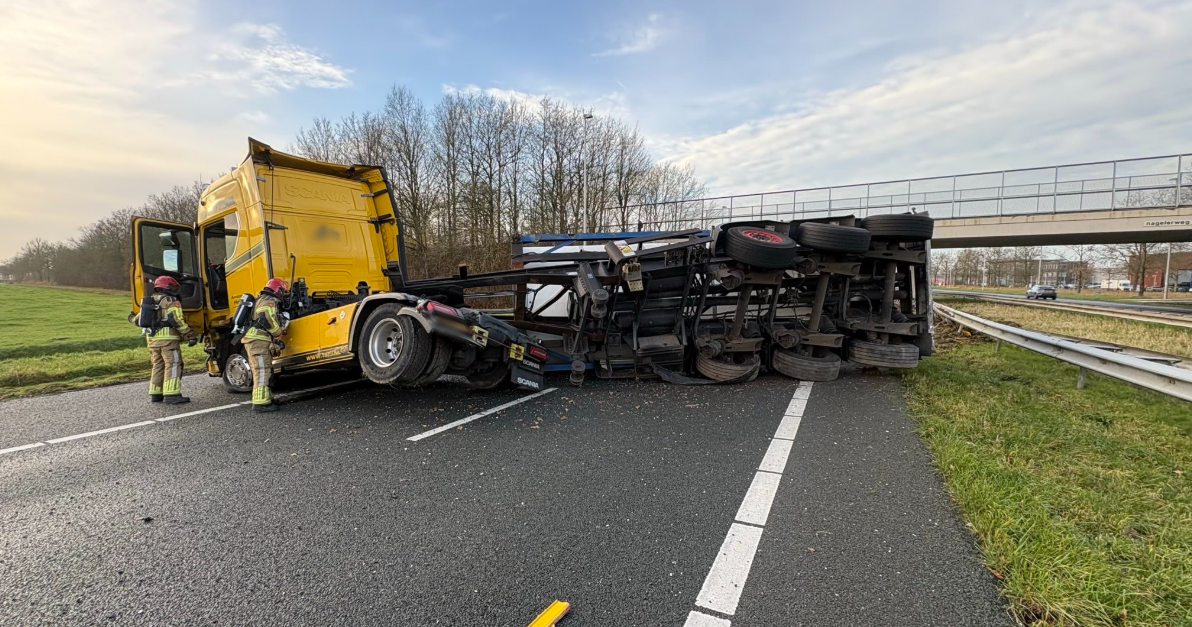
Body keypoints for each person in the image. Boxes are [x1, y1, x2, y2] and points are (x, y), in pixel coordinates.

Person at [143, 276, 197, 404]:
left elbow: (138, 320)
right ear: (167, 287)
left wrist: (130, 317)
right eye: (173, 287)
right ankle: (172, 394)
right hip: (168, 340)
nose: (174, 290)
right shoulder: (171, 301)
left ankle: (156, 393)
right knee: (172, 364)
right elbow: (177, 320)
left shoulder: (149, 301)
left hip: (152, 340)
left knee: (158, 365)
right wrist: (190, 335)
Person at [242, 278, 289, 412]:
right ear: (278, 290)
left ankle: (266, 398)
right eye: (283, 291)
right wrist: (277, 331)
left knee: (265, 369)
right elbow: (265, 317)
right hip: (258, 340)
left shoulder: (262, 299)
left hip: (257, 340)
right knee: (261, 370)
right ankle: (261, 403)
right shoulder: (268, 301)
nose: (283, 294)